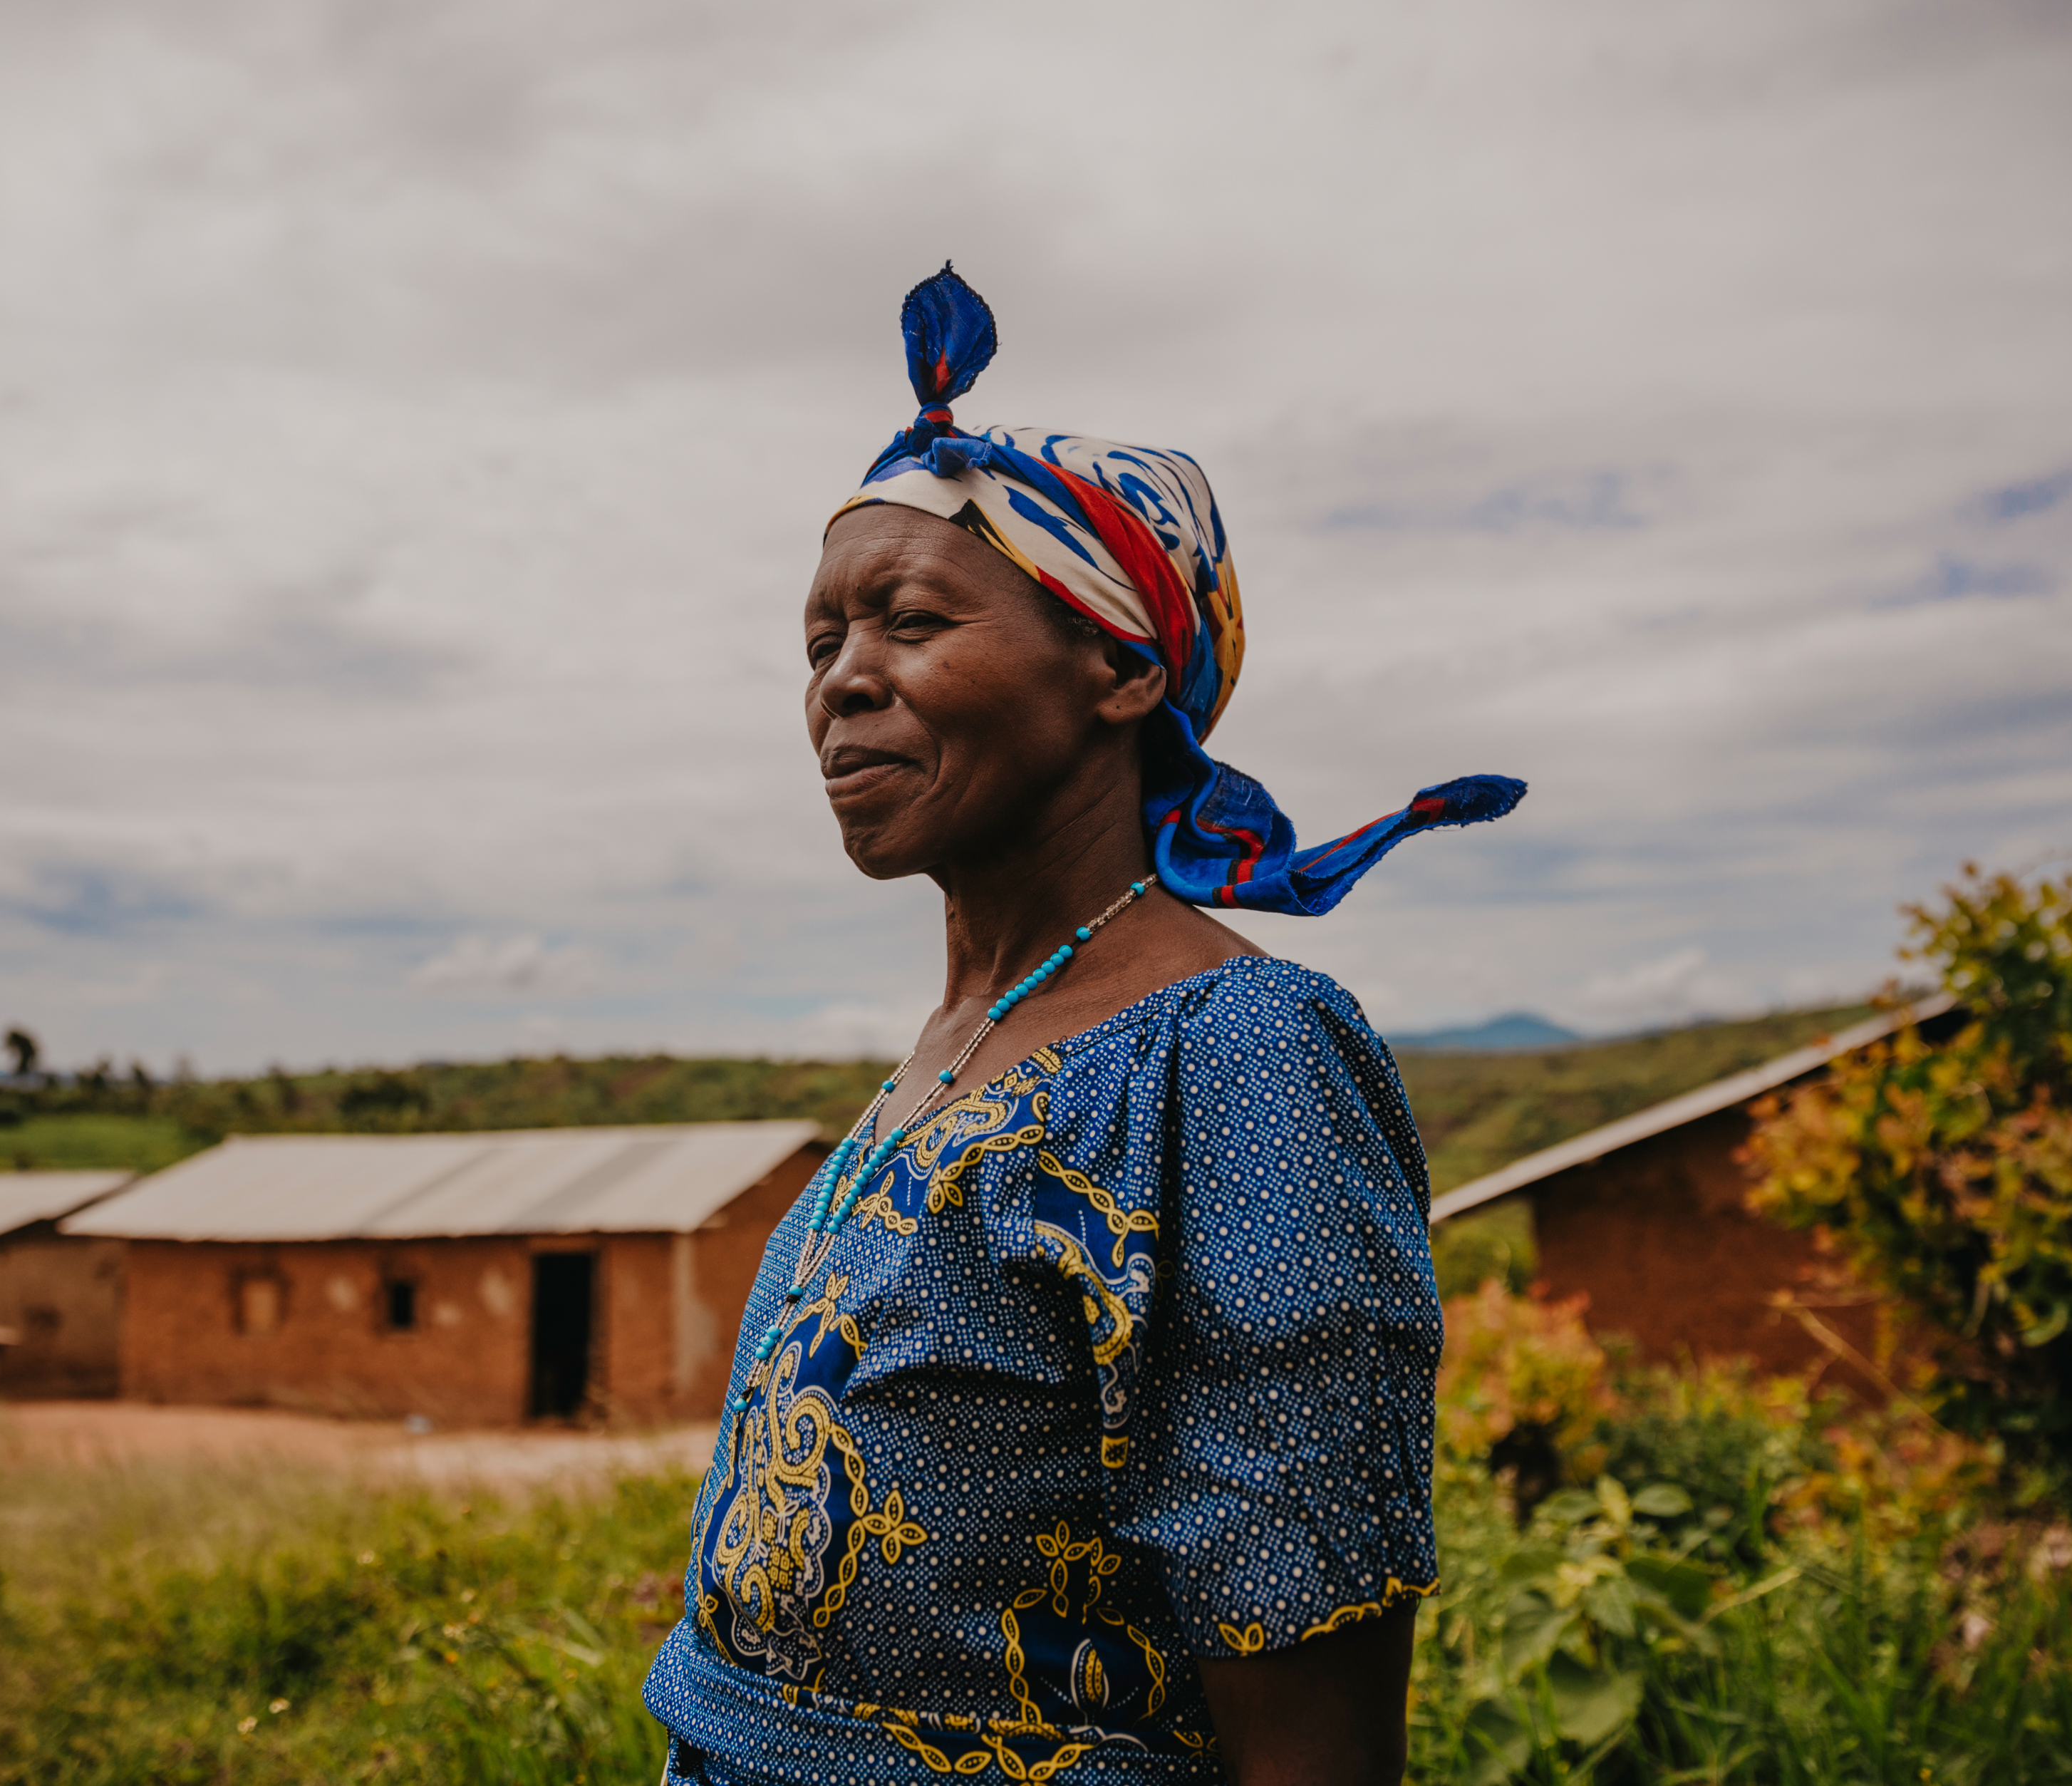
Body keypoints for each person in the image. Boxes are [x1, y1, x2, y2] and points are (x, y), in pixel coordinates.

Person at [643, 267, 1523, 1785]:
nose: (844, 681)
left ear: (1121, 669)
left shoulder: (1239, 1059)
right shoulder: (953, 1048)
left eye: (912, 620)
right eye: (821, 641)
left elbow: (1312, 1713)